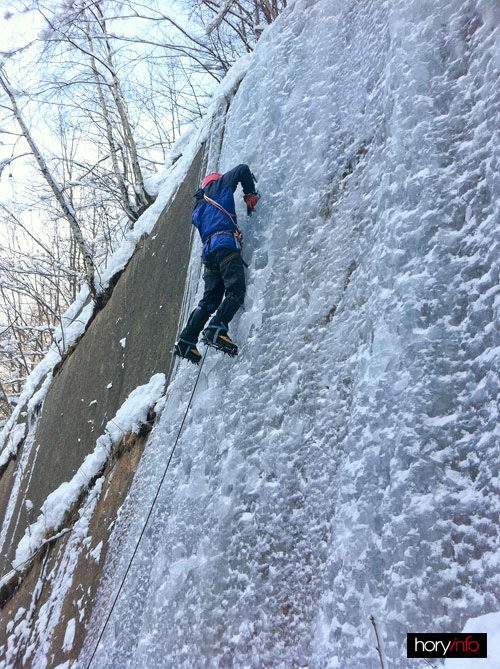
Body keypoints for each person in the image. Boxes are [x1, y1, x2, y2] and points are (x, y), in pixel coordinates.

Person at [174, 164, 259, 364]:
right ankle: (216, 328)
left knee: (210, 300)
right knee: (235, 290)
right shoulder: (220, 184)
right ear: (216, 181)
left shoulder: (198, 205)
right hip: (225, 246)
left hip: (209, 255)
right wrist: (249, 193)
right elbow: (243, 169)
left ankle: (186, 340)